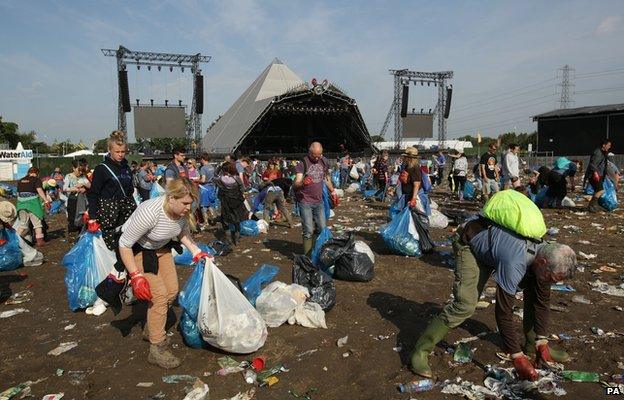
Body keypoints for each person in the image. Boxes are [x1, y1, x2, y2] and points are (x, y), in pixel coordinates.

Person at [410, 217, 577, 381]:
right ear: (542, 262)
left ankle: (533, 345)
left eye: (555, 280)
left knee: (536, 288)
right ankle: (420, 351)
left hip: (499, 249)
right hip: (471, 242)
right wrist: (516, 356)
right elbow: (503, 312)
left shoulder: (546, 254)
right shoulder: (515, 262)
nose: (551, 283)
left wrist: (542, 340)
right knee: (465, 305)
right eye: (551, 278)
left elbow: (541, 302)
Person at [118, 178, 210, 369]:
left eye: (190, 204)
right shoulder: (150, 211)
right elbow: (124, 244)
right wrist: (136, 276)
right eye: (184, 203)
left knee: (172, 292)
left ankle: (152, 328)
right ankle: (156, 347)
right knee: (159, 296)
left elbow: (183, 233)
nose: (187, 208)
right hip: (138, 251)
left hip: (162, 249)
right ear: (170, 198)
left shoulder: (181, 213)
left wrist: (196, 252)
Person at [86, 131, 136, 266]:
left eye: (123, 151)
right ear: (109, 150)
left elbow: (130, 190)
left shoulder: (126, 167)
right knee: (114, 247)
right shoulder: (101, 169)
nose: (120, 155)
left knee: (130, 243)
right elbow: (94, 193)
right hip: (110, 213)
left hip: (127, 210)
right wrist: (92, 217)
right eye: (117, 151)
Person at [293, 142, 337, 255]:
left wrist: (333, 191)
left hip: (319, 202)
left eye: (319, 155)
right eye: (315, 155)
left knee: (322, 228)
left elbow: (326, 178)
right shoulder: (302, 163)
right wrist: (303, 183)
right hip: (305, 202)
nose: (317, 158)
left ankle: (318, 252)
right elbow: (296, 183)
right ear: (310, 152)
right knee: (308, 230)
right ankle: (307, 256)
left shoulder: (323, 161)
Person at [15, 167, 51, 246]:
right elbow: (39, 190)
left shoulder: (20, 180)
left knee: (23, 225)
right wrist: (46, 201)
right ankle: (40, 242)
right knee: (37, 224)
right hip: (33, 204)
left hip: (21, 204)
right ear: (37, 173)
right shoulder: (37, 180)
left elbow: (18, 194)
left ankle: (15, 241)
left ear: (28, 172)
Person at [216, 161, 248, 246]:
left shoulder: (220, 179)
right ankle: (237, 239)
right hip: (236, 202)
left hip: (225, 201)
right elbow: (242, 188)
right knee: (236, 220)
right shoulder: (236, 178)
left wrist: (219, 167)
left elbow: (214, 176)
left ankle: (228, 239)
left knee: (225, 221)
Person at [63, 160, 90, 234]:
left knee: (82, 215)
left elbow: (90, 186)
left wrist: (84, 185)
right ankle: (72, 232)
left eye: (82, 171)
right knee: (72, 217)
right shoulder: (69, 176)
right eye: (79, 170)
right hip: (73, 200)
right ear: (74, 168)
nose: (80, 172)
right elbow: (65, 188)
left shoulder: (83, 176)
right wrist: (74, 189)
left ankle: (81, 232)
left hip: (82, 200)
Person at [586, 139, 612, 212]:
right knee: (600, 191)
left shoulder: (603, 152)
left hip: (599, 174)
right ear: (604, 145)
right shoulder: (598, 153)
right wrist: (595, 173)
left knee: (597, 190)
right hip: (594, 175)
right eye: (609, 145)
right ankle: (592, 206)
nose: (609, 147)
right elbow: (592, 164)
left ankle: (592, 206)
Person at [198, 153, 217, 228]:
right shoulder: (212, 167)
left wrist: (196, 180)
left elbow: (203, 180)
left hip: (204, 188)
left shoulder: (203, 168)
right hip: (211, 187)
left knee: (203, 206)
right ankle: (214, 218)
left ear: (203, 159)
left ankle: (206, 222)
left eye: (200, 159)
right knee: (210, 204)